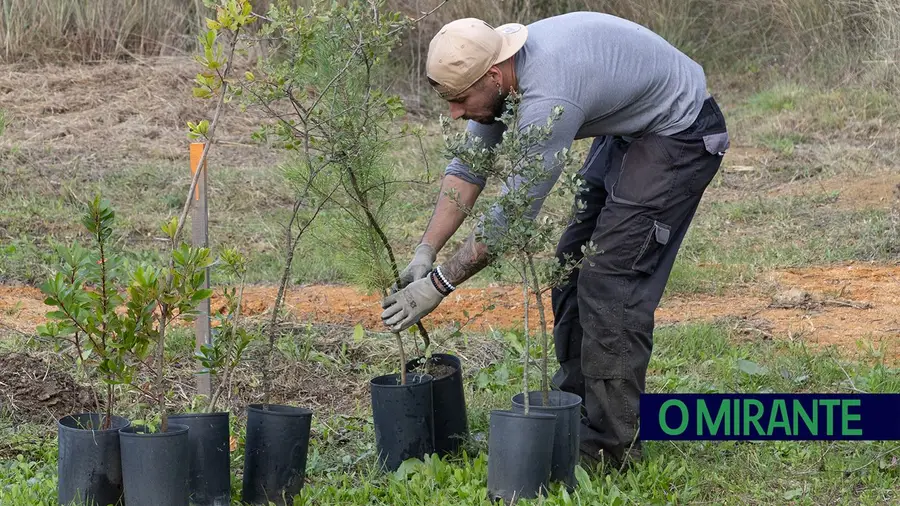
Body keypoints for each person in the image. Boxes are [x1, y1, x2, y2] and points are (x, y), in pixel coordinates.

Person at [379, 12, 729, 469]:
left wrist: (439, 285)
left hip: (681, 130)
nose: (455, 113)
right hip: (630, 129)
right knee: (571, 266)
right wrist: (425, 252)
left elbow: (510, 219)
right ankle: (577, 411)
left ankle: (611, 449)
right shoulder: (497, 78)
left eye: (461, 100)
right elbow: (467, 168)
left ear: (493, 75)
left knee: (610, 281)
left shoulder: (548, 97)